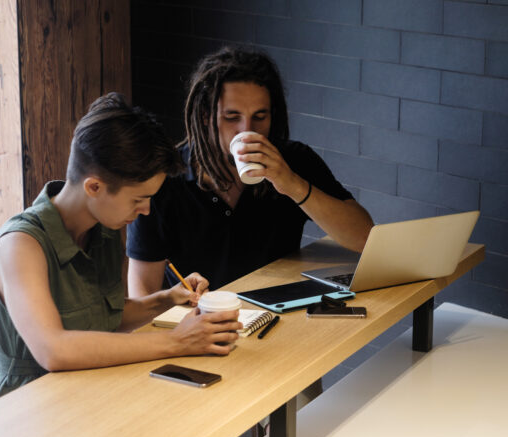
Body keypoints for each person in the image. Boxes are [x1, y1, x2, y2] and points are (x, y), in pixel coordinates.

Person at [0, 92, 243, 416]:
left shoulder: (104, 228)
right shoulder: (21, 245)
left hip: (79, 398)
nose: (146, 210)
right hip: (14, 411)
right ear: (94, 187)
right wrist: (178, 342)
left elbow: (99, 318)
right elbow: (54, 349)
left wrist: (166, 299)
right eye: (138, 198)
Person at [126, 46, 373, 296]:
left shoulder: (293, 161)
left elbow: (363, 238)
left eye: (260, 116)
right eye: (232, 117)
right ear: (204, 115)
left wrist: (292, 184)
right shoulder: (166, 178)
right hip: (196, 322)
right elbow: (142, 289)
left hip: (276, 315)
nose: (247, 129)